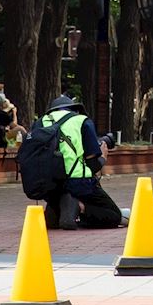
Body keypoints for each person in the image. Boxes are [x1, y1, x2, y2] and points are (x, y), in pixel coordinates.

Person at [39, 95, 123, 230]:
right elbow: (93, 165)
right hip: (77, 182)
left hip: (48, 184)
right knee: (113, 215)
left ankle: (56, 209)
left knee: (61, 193)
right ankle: (78, 207)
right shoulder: (81, 121)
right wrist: (102, 157)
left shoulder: (41, 123)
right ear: (74, 109)